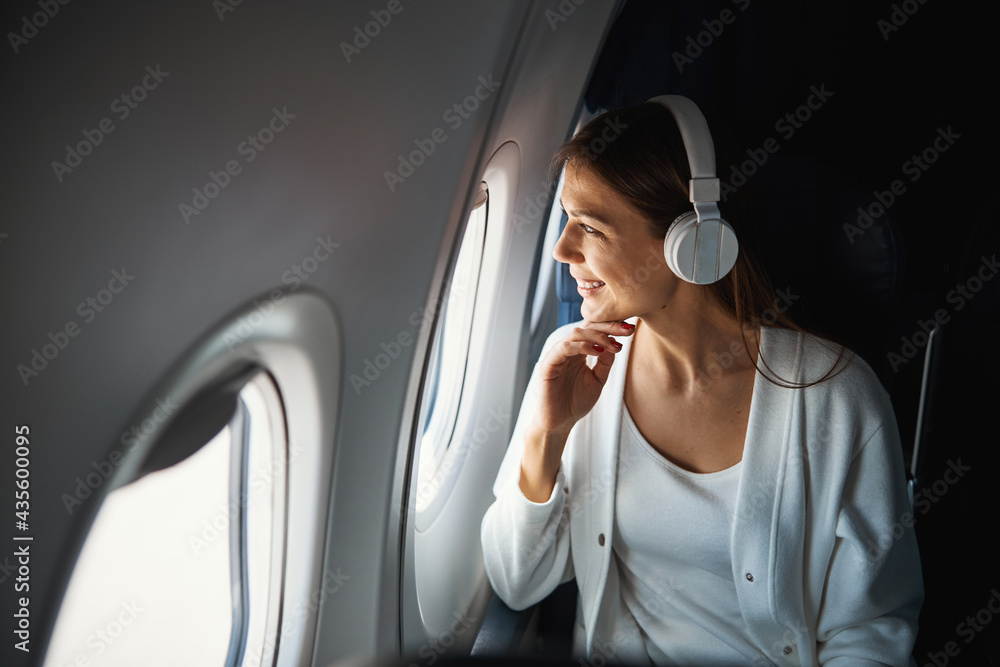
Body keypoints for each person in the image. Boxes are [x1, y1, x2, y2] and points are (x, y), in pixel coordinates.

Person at [480, 98, 923, 666]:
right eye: (566, 220)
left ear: (692, 241)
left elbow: (870, 632)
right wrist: (547, 435)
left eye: (590, 227)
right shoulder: (577, 368)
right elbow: (518, 583)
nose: (561, 249)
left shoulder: (838, 400)